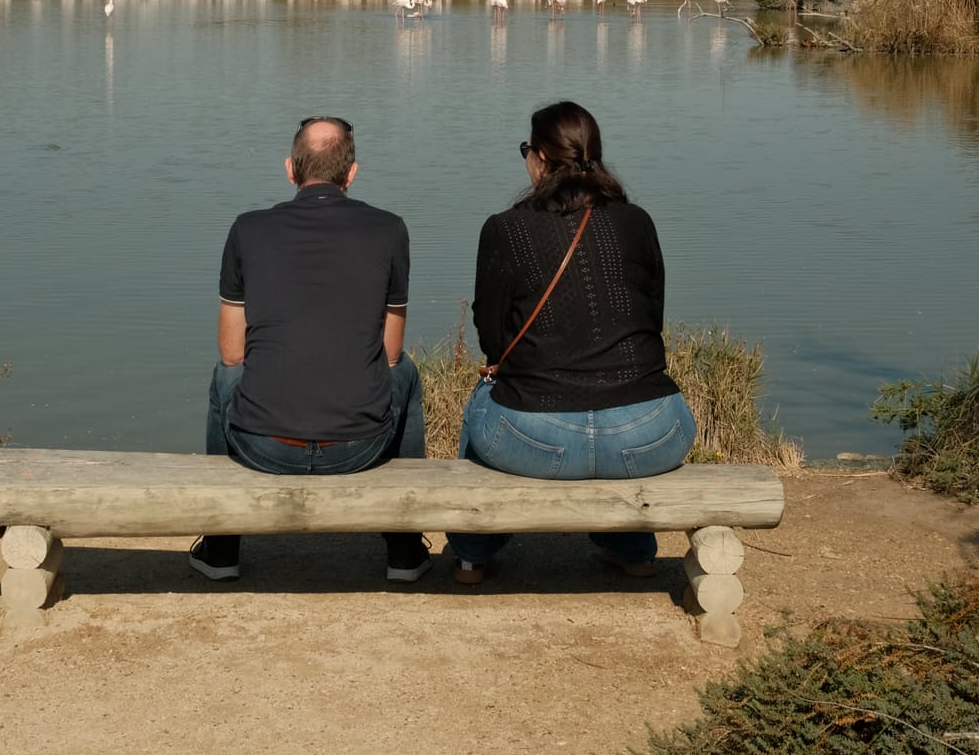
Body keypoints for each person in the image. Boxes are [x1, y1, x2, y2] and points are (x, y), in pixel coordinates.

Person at [445, 100, 696, 583]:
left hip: (533, 439)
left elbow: (494, 341)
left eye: (526, 150)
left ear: (539, 158)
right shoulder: (637, 222)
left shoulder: (504, 229)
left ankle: (473, 554)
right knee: (618, 399)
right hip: (651, 434)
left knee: (483, 396)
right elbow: (653, 319)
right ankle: (635, 551)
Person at [192, 116, 431, 583]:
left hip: (261, 447)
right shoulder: (390, 230)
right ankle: (404, 548)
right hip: (360, 447)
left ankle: (221, 546)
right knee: (406, 374)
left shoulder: (247, 229)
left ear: (290, 169)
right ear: (352, 173)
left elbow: (231, 353)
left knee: (225, 377)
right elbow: (391, 353)